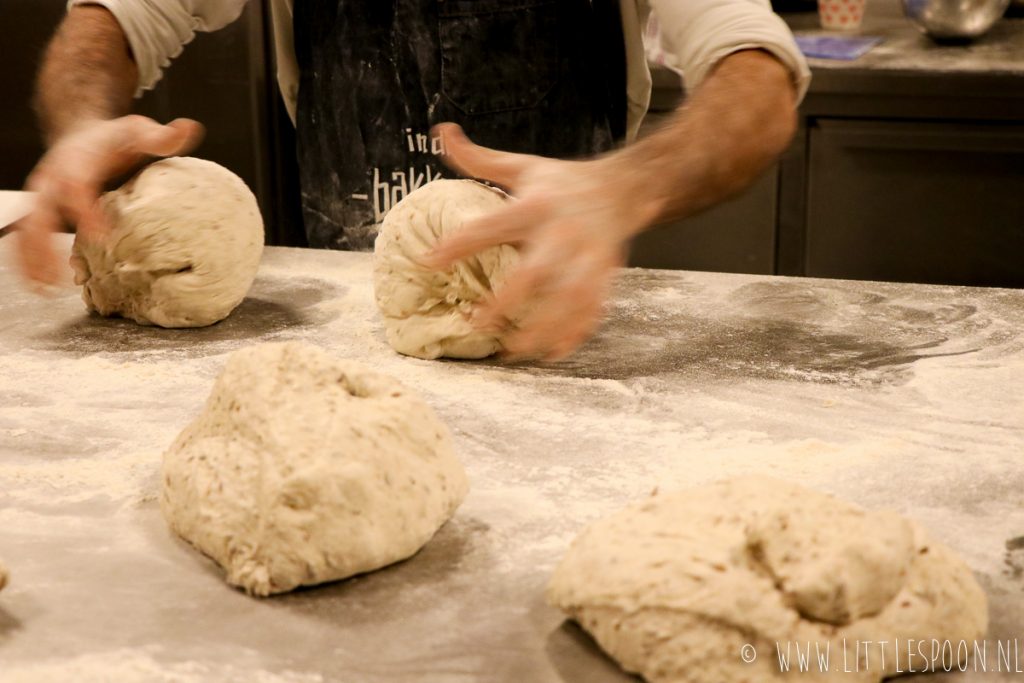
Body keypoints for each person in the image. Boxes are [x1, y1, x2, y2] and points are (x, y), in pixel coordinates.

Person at [16, 0, 810, 360]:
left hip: (554, 317)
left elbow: (755, 71)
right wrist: (86, 123)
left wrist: (630, 185)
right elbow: (118, 17)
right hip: (342, 335)